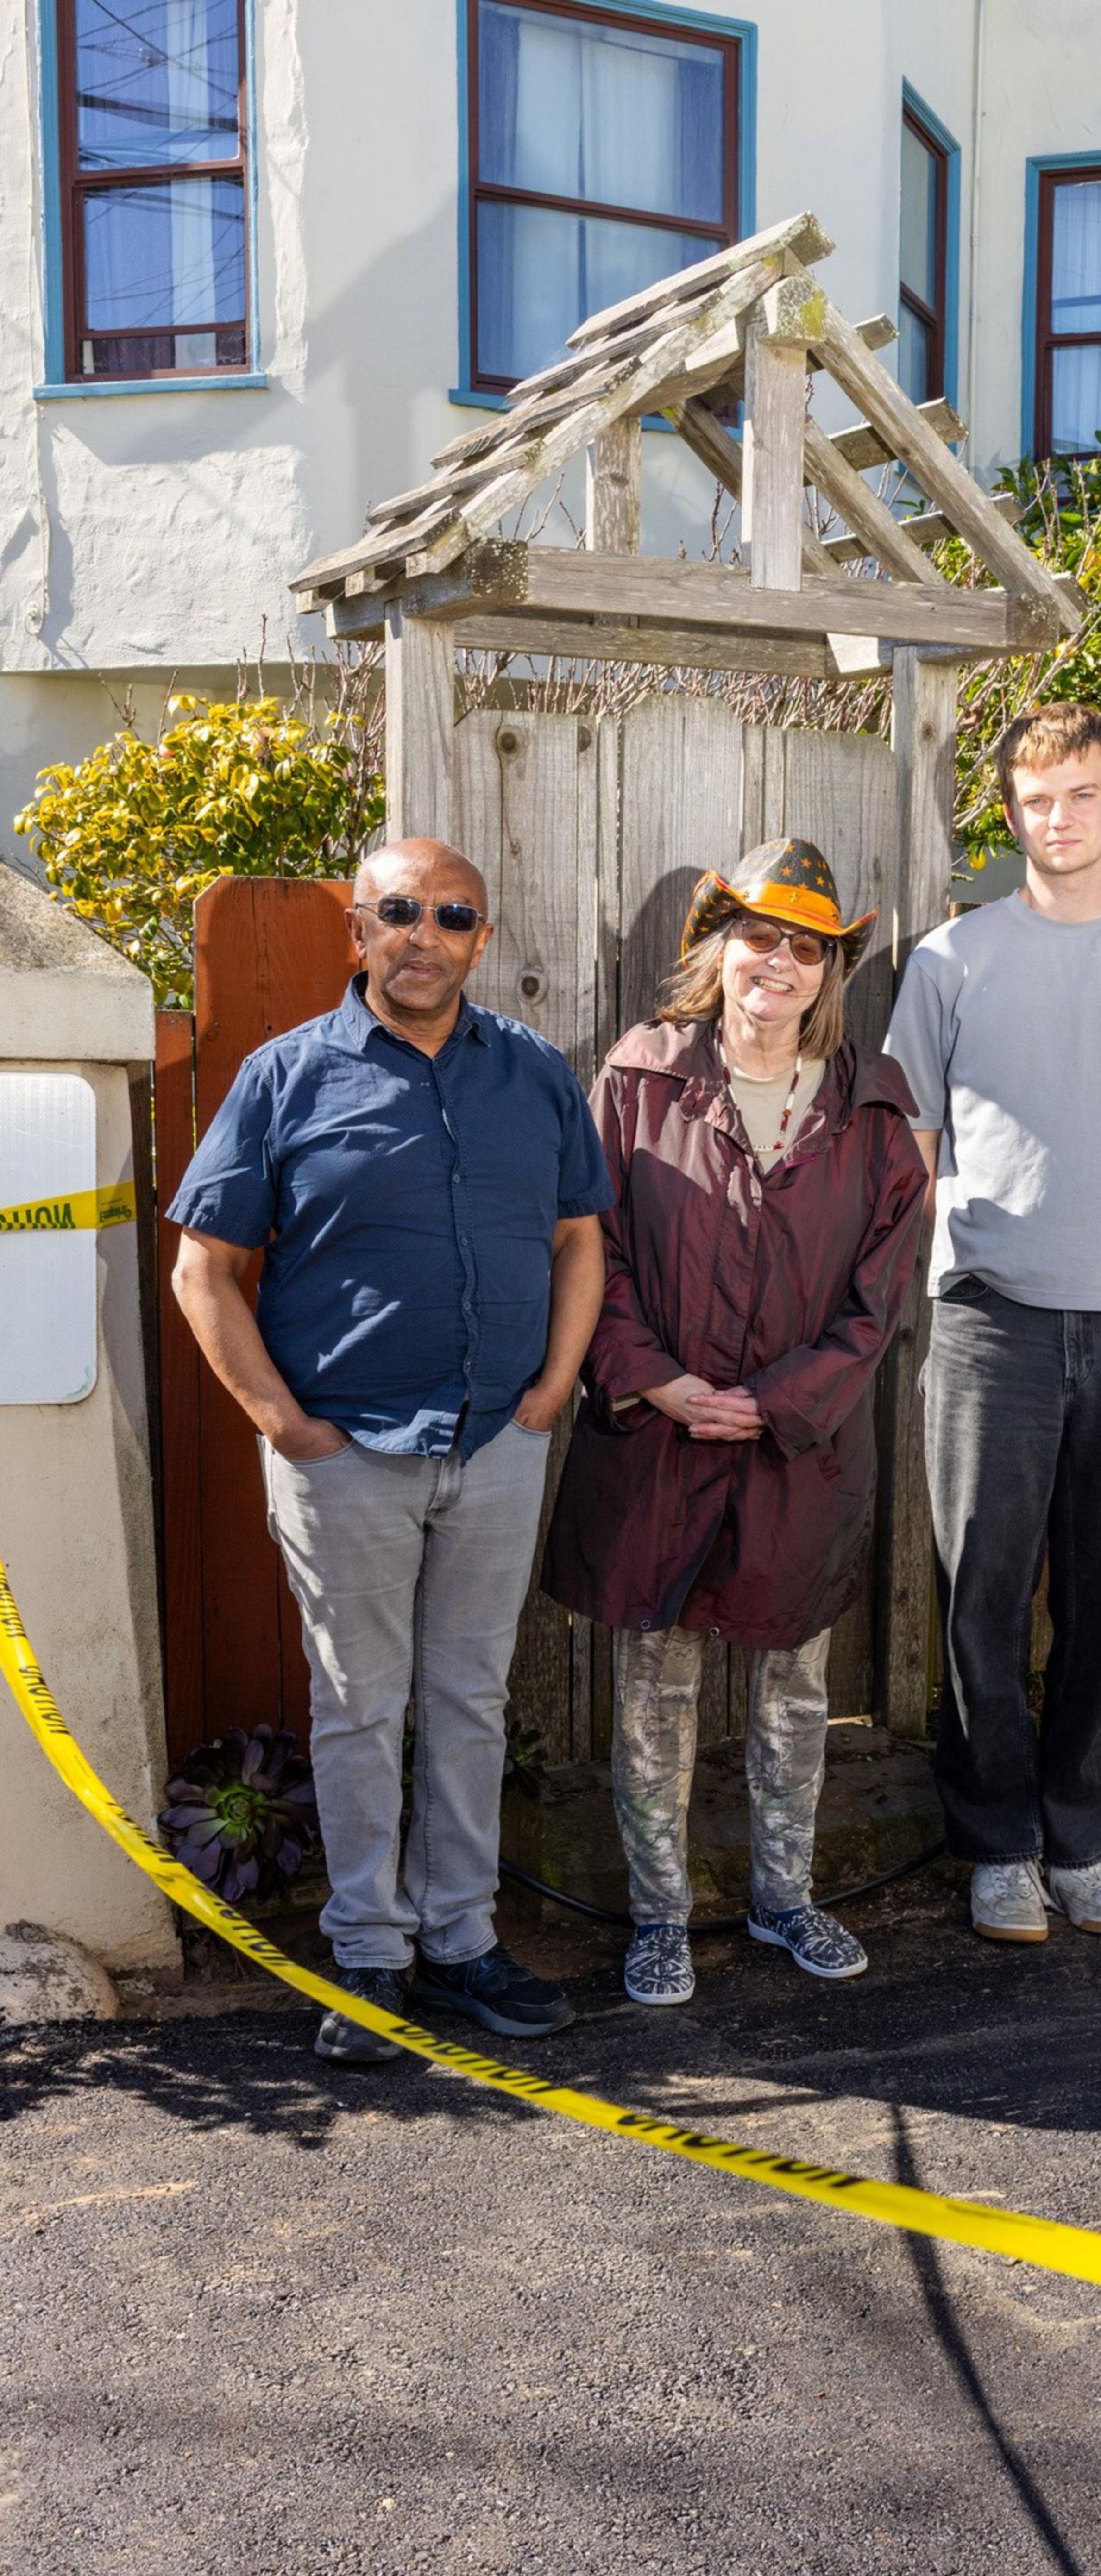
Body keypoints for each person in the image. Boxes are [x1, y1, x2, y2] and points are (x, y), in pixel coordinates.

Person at [169, 839, 612, 2062]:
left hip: (497, 1442)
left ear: (482, 935)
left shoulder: (531, 1076)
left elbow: (581, 1240)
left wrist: (557, 1384)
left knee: (469, 1702)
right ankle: (370, 1956)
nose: (426, 936)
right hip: (344, 1453)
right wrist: (280, 1421)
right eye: (400, 913)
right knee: (360, 1709)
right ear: (357, 932)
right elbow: (204, 1268)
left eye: (452, 916)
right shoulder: (286, 1078)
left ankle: (463, 1941)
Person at [542, 840, 927, 2007]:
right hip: (657, 1441)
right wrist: (652, 1377)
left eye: (806, 945)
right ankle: (660, 1916)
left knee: (793, 1689)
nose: (779, 961)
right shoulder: (639, 1080)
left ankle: (784, 1899)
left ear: (830, 971)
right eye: (759, 935)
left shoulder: (871, 1111)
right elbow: (584, 1252)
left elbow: (881, 1297)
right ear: (719, 947)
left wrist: (780, 1401)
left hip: (800, 1454)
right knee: (654, 1688)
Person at [883, 702, 1101, 1944]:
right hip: (989, 1321)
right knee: (981, 1594)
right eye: (1037, 799)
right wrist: (1001, 1235)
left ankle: (1081, 1844)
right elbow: (909, 1136)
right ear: (1011, 814)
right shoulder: (952, 958)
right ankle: (997, 1849)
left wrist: (1090, 1225)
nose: (1061, 818)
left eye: (1082, 794)